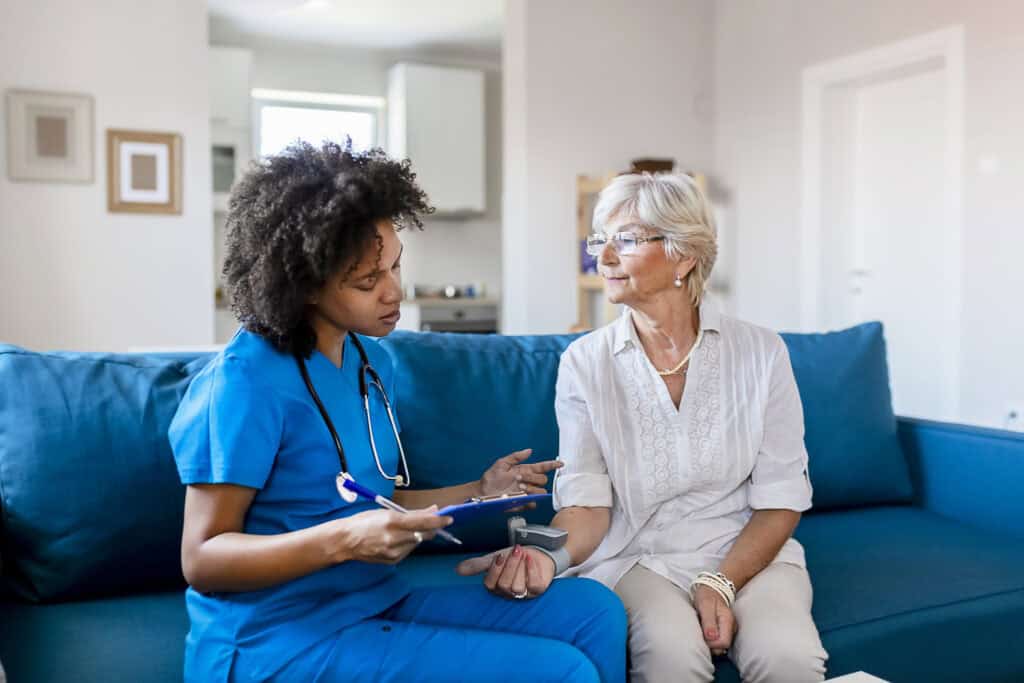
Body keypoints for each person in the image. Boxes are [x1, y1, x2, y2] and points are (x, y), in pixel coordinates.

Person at [168, 141, 626, 683]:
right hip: (275, 641)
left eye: (395, 267)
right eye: (368, 281)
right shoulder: (242, 385)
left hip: (369, 605)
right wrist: (343, 541)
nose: (394, 293)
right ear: (306, 282)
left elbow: (377, 499)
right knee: (558, 671)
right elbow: (203, 559)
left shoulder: (369, 361)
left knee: (593, 612)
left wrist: (478, 490)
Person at [459, 172, 828, 682]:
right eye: (598, 241)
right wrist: (548, 559)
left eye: (625, 240)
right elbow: (587, 503)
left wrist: (721, 581)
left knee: (789, 658)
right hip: (639, 559)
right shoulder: (584, 363)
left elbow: (780, 499)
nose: (602, 257)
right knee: (672, 658)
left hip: (747, 553)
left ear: (684, 254)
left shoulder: (761, 353)